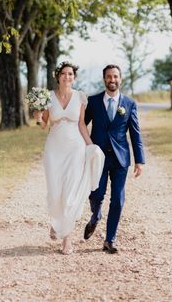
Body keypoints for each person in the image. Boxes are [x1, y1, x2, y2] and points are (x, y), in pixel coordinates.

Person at [36, 61, 104, 255]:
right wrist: (38, 116)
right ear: (58, 76)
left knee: (70, 194)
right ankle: (56, 222)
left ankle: (67, 239)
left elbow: (82, 125)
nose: (67, 77)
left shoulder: (80, 97)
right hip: (54, 149)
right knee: (55, 190)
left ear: (74, 77)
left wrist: (90, 146)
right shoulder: (48, 97)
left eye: (71, 74)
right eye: (64, 74)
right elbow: (43, 125)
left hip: (75, 148)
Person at [83, 64, 145, 254]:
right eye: (109, 77)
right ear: (104, 79)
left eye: (115, 77)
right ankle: (95, 216)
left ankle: (110, 240)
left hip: (120, 159)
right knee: (95, 194)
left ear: (120, 79)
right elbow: (81, 125)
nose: (112, 80)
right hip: (98, 157)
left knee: (117, 200)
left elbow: (135, 134)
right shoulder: (92, 102)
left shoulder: (129, 104)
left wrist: (139, 160)